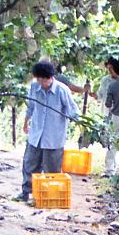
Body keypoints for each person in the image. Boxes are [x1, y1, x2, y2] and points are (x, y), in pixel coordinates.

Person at [16, 60, 79, 202]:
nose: (42, 83)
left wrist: (77, 121)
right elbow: (31, 107)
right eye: (39, 79)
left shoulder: (62, 90)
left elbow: (73, 111)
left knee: (52, 170)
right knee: (29, 164)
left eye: (44, 80)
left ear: (51, 77)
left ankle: (50, 196)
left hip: (54, 137)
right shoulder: (33, 87)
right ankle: (26, 193)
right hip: (36, 135)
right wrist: (26, 123)